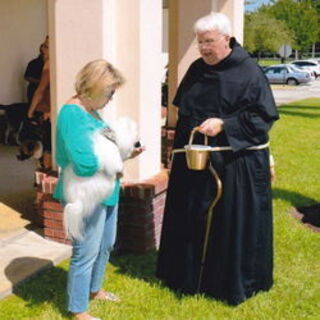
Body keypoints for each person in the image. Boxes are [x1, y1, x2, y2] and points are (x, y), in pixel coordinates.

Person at [156, 12, 279, 306]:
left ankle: (224, 282)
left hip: (236, 164)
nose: (203, 48)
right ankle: (185, 275)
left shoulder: (249, 72)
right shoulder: (197, 69)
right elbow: (184, 113)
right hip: (196, 160)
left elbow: (262, 117)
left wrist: (226, 124)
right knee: (190, 217)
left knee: (229, 223)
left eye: (209, 42)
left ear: (226, 38)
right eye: (200, 42)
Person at [53, 59, 144, 320]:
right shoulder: (72, 114)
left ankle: (94, 290)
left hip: (106, 189)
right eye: (110, 91)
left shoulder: (92, 112)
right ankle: (78, 310)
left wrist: (126, 153)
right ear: (94, 86)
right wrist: (114, 156)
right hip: (84, 194)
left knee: (106, 245)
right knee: (85, 251)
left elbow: (100, 154)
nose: (112, 97)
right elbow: (83, 165)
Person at [27, 36, 52, 170]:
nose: (43, 48)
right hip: (50, 111)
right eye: (43, 45)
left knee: (47, 147)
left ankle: (46, 178)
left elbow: (40, 90)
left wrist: (30, 112)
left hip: (48, 112)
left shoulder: (49, 64)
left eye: (46, 46)